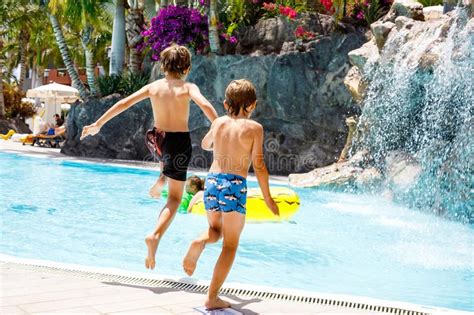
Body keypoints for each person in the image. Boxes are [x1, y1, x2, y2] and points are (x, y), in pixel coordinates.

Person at [80, 45, 219, 270]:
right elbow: (204, 104)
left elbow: (124, 103)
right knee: (174, 199)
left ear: (163, 65)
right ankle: (155, 235)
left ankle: (162, 178)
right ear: (187, 67)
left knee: (167, 160)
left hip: (157, 139)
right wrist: (219, 125)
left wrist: (98, 124)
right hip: (178, 142)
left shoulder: (154, 87)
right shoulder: (187, 87)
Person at [182, 79, 279, 310]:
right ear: (253, 105)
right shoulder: (255, 128)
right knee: (230, 246)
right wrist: (267, 198)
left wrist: (217, 131)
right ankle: (212, 297)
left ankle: (199, 241)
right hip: (234, 185)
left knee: (215, 231)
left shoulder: (218, 123)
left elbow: (206, 145)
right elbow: (260, 166)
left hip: (212, 182)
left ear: (226, 104)